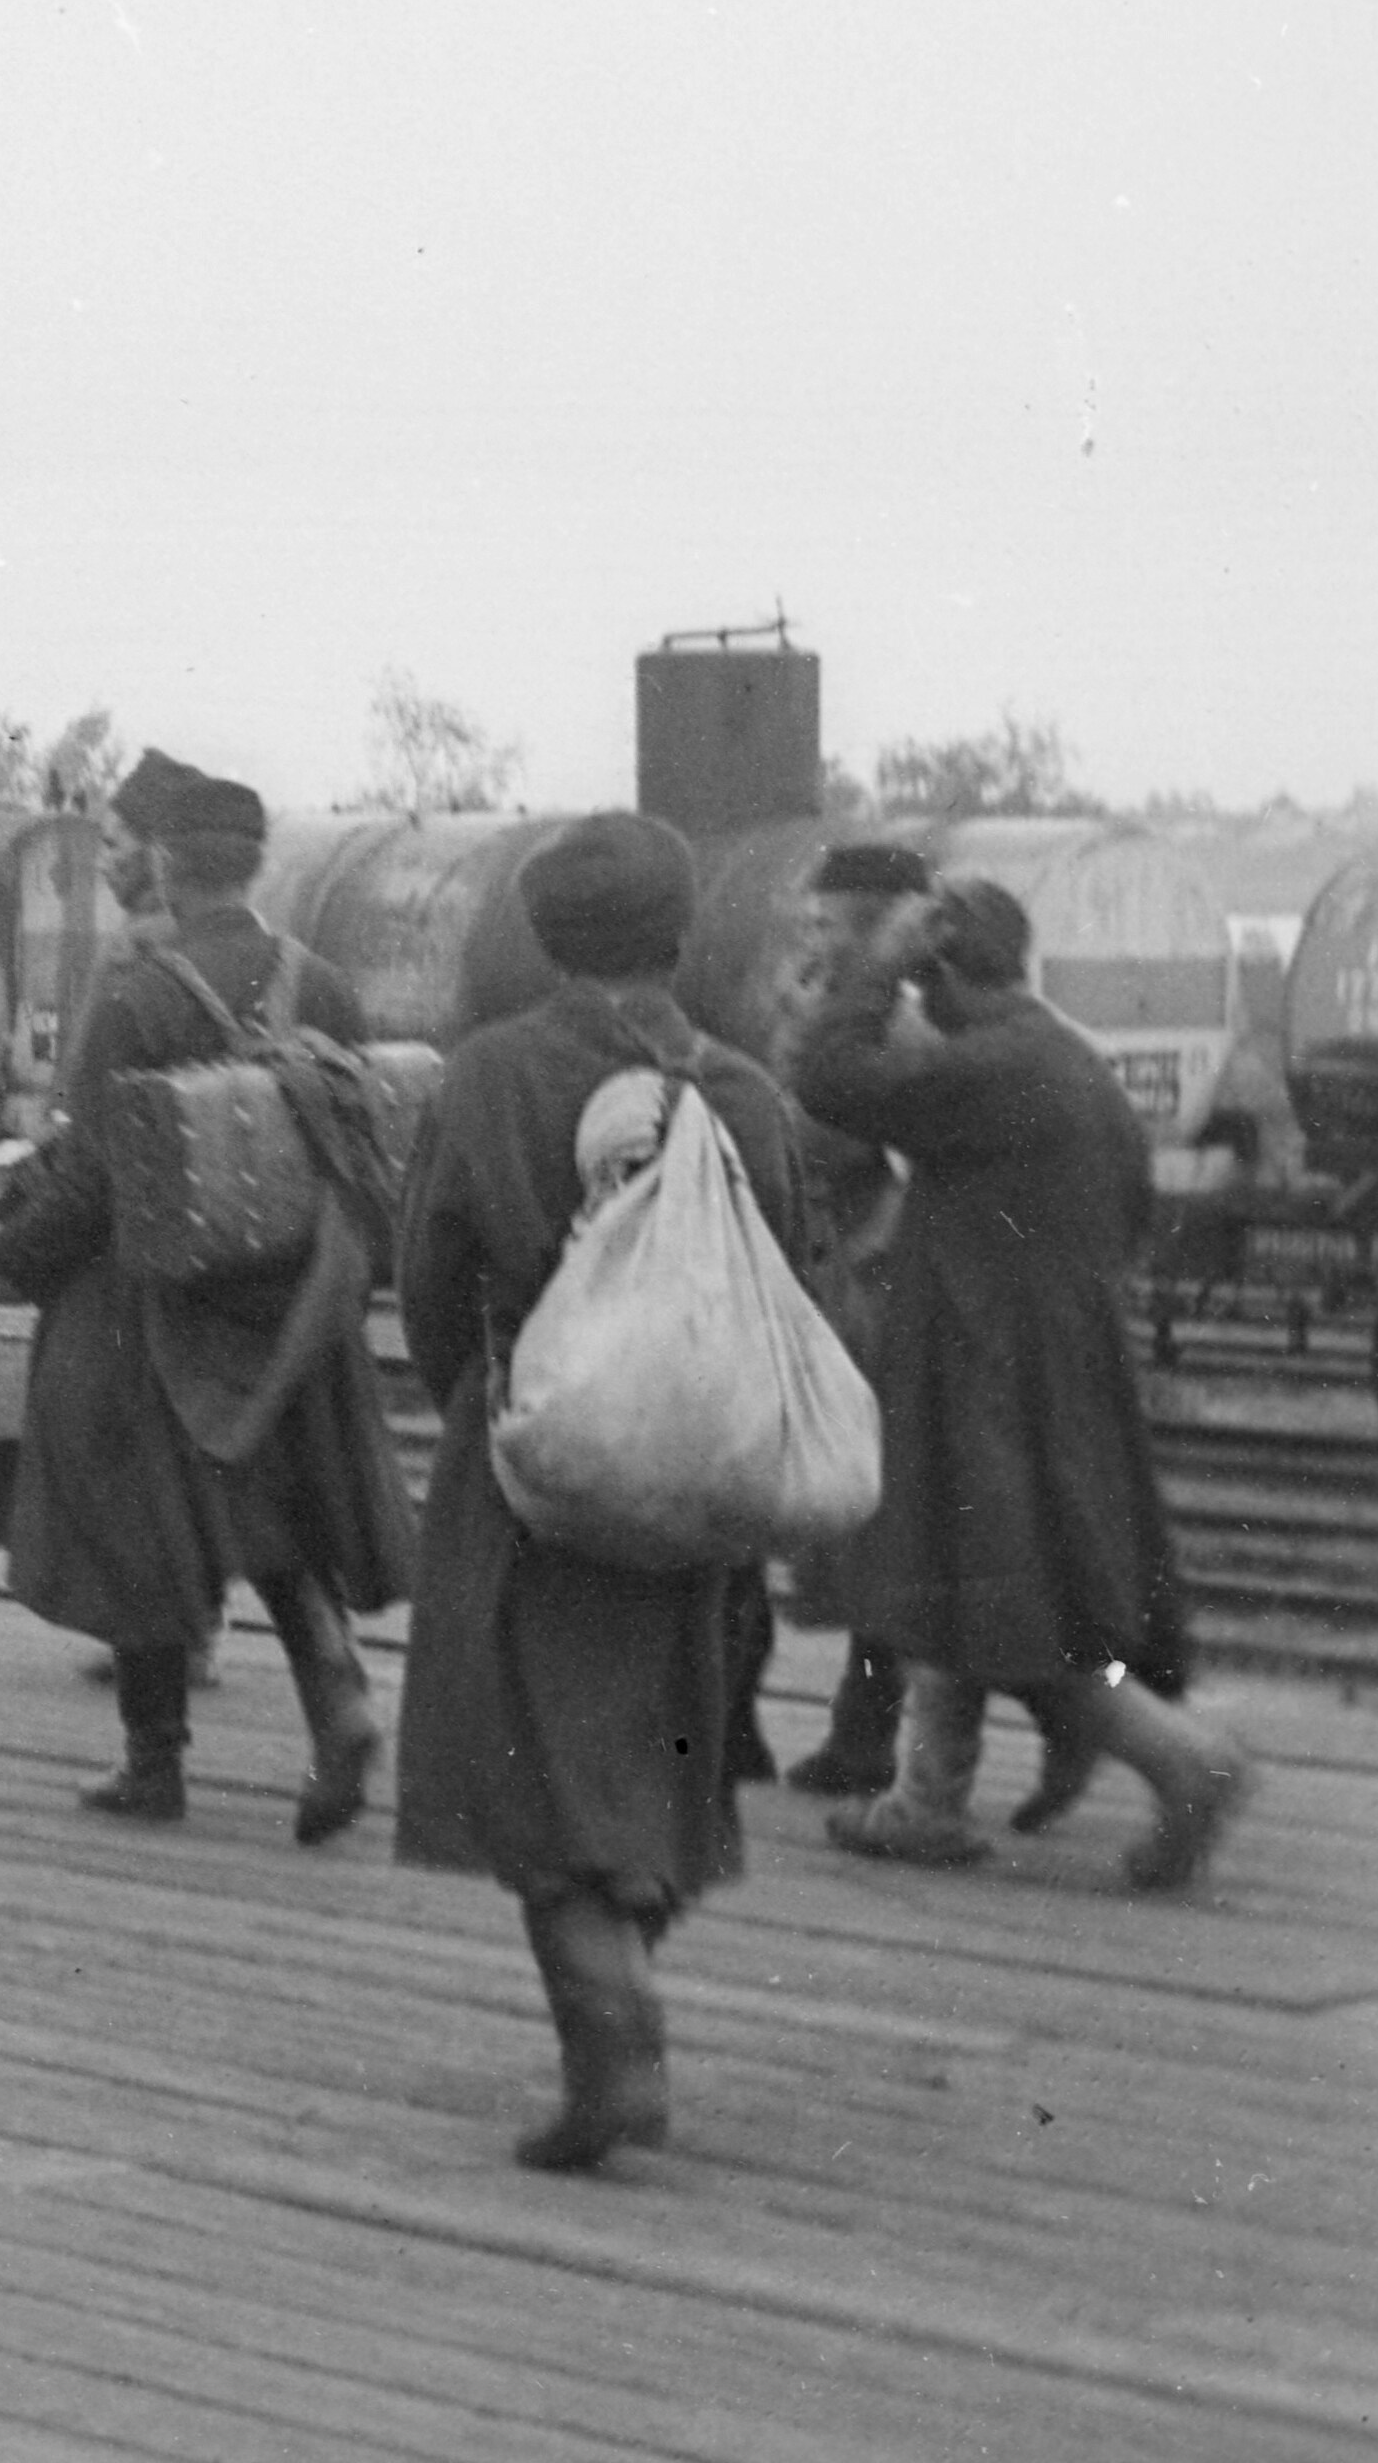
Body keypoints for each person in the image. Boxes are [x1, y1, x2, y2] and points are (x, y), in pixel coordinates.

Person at [394, 809, 815, 2169]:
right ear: (680, 937)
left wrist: (496, 1394)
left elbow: (427, 1290)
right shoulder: (744, 1092)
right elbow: (787, 1282)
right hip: (694, 1487)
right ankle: (624, 1954)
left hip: (530, 1464)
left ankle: (608, 2039)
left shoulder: (486, 1077)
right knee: (655, 1747)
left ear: (544, 937)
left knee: (523, 1764)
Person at [801, 880, 1252, 1890]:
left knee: (1011, 1600)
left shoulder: (996, 1067)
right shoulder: (1060, 1055)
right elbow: (1131, 1213)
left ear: (948, 971)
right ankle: (925, 1802)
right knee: (968, 1575)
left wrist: (876, 966)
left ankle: (1186, 1761)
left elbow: (829, 1078)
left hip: (985, 1367)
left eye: (927, 981)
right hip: (1044, 1360)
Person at [0, 759, 408, 1833]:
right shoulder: (324, 984)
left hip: (155, 1308)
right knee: (275, 1515)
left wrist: (13, 1248)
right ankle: (337, 1693)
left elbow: (90, 1177)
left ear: (168, 864)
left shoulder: (137, 996)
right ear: (253, 863)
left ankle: (153, 1763)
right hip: (289, 1301)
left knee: (135, 1521)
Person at [767, 836, 941, 1797]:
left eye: (831, 923)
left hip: (877, 1290)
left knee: (877, 1517)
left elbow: (832, 1133)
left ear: (878, 927)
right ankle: (864, 1728)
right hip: (839, 1282)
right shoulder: (831, 1008)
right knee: (858, 1518)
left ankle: (868, 1733)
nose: (814, 940)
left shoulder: (901, 1031)